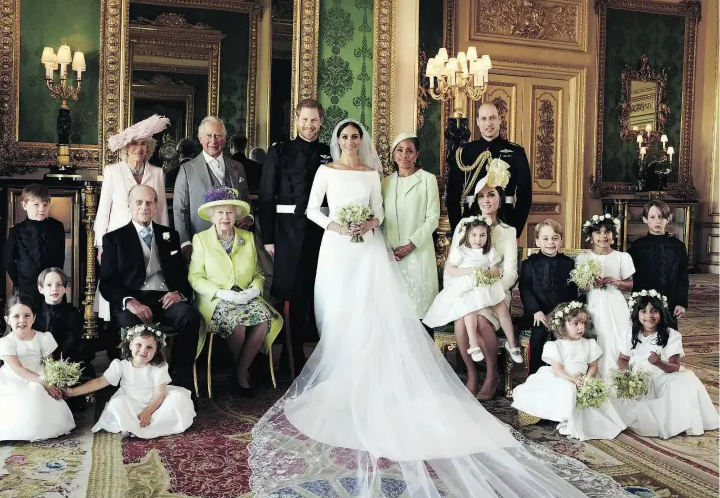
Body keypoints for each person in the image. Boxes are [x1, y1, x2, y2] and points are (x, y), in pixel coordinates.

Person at [248, 118, 625, 497]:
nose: (349, 141)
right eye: (344, 137)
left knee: (378, 310)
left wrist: (371, 225)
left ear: (362, 141)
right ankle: (346, 367)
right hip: (340, 249)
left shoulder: (374, 174)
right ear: (338, 140)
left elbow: (382, 212)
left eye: (355, 137)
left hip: (376, 251)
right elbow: (314, 210)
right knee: (340, 308)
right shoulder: (329, 170)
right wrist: (343, 228)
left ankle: (391, 372)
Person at [99, 184, 200, 393]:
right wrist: (130, 303)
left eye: (149, 202)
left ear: (155, 207)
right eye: (139, 202)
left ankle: (181, 382)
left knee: (189, 316)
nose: (144, 207)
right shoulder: (113, 238)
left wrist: (179, 293)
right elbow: (107, 283)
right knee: (127, 321)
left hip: (165, 300)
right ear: (129, 205)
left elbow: (181, 275)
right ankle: (133, 386)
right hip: (134, 301)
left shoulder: (170, 235)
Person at [259, 99, 331, 375]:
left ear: (321, 122)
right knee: (292, 293)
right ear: (296, 120)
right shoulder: (280, 152)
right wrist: (268, 238)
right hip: (287, 231)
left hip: (320, 232)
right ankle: (292, 357)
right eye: (304, 120)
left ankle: (319, 355)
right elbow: (266, 196)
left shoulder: (328, 152)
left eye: (314, 120)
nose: (309, 125)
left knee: (318, 291)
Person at [188, 187, 283, 395]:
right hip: (215, 298)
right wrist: (221, 293)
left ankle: (238, 370)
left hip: (246, 295)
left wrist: (253, 291)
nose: (225, 217)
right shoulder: (201, 239)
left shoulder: (247, 237)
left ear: (237, 215)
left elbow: (259, 273)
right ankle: (241, 373)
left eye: (230, 212)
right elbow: (195, 278)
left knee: (264, 319)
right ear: (212, 216)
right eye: (220, 212)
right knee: (237, 324)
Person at [449, 167, 519, 399]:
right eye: (481, 195)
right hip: (467, 288)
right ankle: (472, 374)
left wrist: (491, 289)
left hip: (495, 291)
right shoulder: (464, 226)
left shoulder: (508, 232)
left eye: (491, 195)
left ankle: (491, 375)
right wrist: (462, 287)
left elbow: (510, 272)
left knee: (480, 321)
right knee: (461, 323)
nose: (486, 200)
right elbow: (453, 265)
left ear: (500, 198)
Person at [511, 301, 626, 441]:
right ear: (562, 326)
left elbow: (593, 365)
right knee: (568, 389)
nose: (581, 328)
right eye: (576, 324)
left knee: (599, 393)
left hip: (582, 378)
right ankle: (565, 418)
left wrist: (588, 379)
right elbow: (558, 370)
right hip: (563, 378)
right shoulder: (556, 346)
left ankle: (589, 420)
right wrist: (574, 380)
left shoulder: (588, 344)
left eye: (583, 323)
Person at [95, 115, 170, 322]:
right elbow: (103, 211)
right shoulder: (112, 171)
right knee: (117, 283)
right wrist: (101, 245)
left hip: (149, 237)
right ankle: (118, 331)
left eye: (144, 144)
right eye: (135, 143)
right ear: (126, 148)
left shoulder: (157, 173)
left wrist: (164, 242)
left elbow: (161, 210)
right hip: (117, 240)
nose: (139, 148)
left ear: (150, 148)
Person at [614, 291, 718, 439]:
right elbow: (622, 359)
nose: (649, 316)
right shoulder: (630, 334)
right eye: (643, 311)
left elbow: (675, 366)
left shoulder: (671, 335)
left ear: (661, 313)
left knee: (687, 379)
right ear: (637, 314)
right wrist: (628, 376)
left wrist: (659, 363)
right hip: (640, 377)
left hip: (663, 375)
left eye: (654, 311)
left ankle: (685, 422)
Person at [65, 325, 195, 438]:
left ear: (156, 351)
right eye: (139, 345)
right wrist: (72, 392)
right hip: (131, 403)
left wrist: (148, 411)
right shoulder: (121, 365)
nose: (143, 350)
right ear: (130, 344)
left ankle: (143, 425)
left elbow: (159, 394)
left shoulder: (159, 366)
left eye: (149, 347)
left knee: (179, 399)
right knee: (117, 404)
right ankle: (134, 425)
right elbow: (99, 382)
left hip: (155, 403)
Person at [423, 215, 522, 365]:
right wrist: (469, 271)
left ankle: (512, 343)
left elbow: (495, 271)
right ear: (467, 235)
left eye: (482, 235)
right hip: (465, 286)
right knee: (469, 307)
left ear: (487, 236)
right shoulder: (461, 250)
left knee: (502, 307)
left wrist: (485, 274)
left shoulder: (490, 252)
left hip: (484, 285)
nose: (478, 239)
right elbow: (450, 269)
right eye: (474, 235)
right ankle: (473, 345)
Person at [0, 295, 75, 442]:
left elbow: (50, 365)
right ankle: (16, 427)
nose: (22, 320)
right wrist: (43, 381)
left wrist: (53, 382)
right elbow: (19, 369)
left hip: (40, 377)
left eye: (27, 315)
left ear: (34, 318)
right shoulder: (7, 342)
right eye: (16, 316)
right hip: (13, 380)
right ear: (7, 320)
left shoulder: (43, 338)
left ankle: (38, 424)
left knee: (37, 394)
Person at [381, 133, 439, 334]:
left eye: (409, 150)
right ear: (393, 153)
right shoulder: (385, 183)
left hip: (418, 253)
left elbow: (432, 219)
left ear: (417, 155)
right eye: (399, 150)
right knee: (394, 313)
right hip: (391, 255)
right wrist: (387, 249)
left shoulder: (427, 180)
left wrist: (410, 246)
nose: (404, 155)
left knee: (419, 314)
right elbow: (380, 218)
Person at [173, 116, 253, 263]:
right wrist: (185, 243)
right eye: (209, 136)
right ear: (200, 138)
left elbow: (245, 199)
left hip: (235, 244)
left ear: (225, 138)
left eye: (218, 136)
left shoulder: (238, 167)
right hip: (201, 244)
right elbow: (180, 210)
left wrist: (249, 217)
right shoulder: (187, 170)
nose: (213, 141)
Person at [446, 102, 532, 236]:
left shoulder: (516, 152)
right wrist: (458, 228)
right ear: (478, 122)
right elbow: (452, 194)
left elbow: (525, 195)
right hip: (471, 220)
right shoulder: (465, 152)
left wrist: (516, 230)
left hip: (506, 220)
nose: (488, 123)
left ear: (499, 120)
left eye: (492, 118)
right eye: (484, 119)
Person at [518, 219, 580, 375]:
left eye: (555, 238)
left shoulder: (568, 264)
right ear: (537, 241)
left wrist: (568, 313)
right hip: (538, 313)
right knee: (539, 333)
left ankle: (565, 374)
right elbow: (525, 289)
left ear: (561, 240)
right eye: (545, 239)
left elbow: (572, 291)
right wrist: (535, 311)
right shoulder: (528, 264)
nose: (550, 242)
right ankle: (536, 375)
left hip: (562, 312)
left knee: (564, 334)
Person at [577, 214, 634, 378]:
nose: (603, 236)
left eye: (607, 232)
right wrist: (591, 284)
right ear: (590, 236)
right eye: (598, 232)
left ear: (613, 235)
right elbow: (580, 287)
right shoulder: (584, 258)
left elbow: (630, 284)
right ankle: (595, 373)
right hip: (594, 301)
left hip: (615, 301)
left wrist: (617, 282)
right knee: (599, 333)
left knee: (617, 334)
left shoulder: (622, 257)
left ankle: (619, 372)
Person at [3, 184, 65, 306]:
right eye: (36, 205)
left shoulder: (57, 227)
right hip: (28, 286)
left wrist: (56, 281)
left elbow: (60, 256)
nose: (41, 209)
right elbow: (8, 260)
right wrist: (20, 281)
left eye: (45, 205)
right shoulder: (17, 230)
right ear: (24, 205)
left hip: (52, 286)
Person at [628, 200, 689, 322]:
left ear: (669, 218)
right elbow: (629, 276)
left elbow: (683, 276)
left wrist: (681, 303)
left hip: (670, 303)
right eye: (652, 217)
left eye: (661, 217)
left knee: (668, 336)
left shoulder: (678, 246)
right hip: (643, 304)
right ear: (645, 219)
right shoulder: (636, 247)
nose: (657, 221)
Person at [34, 267, 95, 379]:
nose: (54, 289)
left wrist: (61, 364)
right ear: (40, 288)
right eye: (49, 285)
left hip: (67, 361)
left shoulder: (73, 313)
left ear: (65, 288)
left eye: (59, 285)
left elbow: (73, 342)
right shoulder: (35, 314)